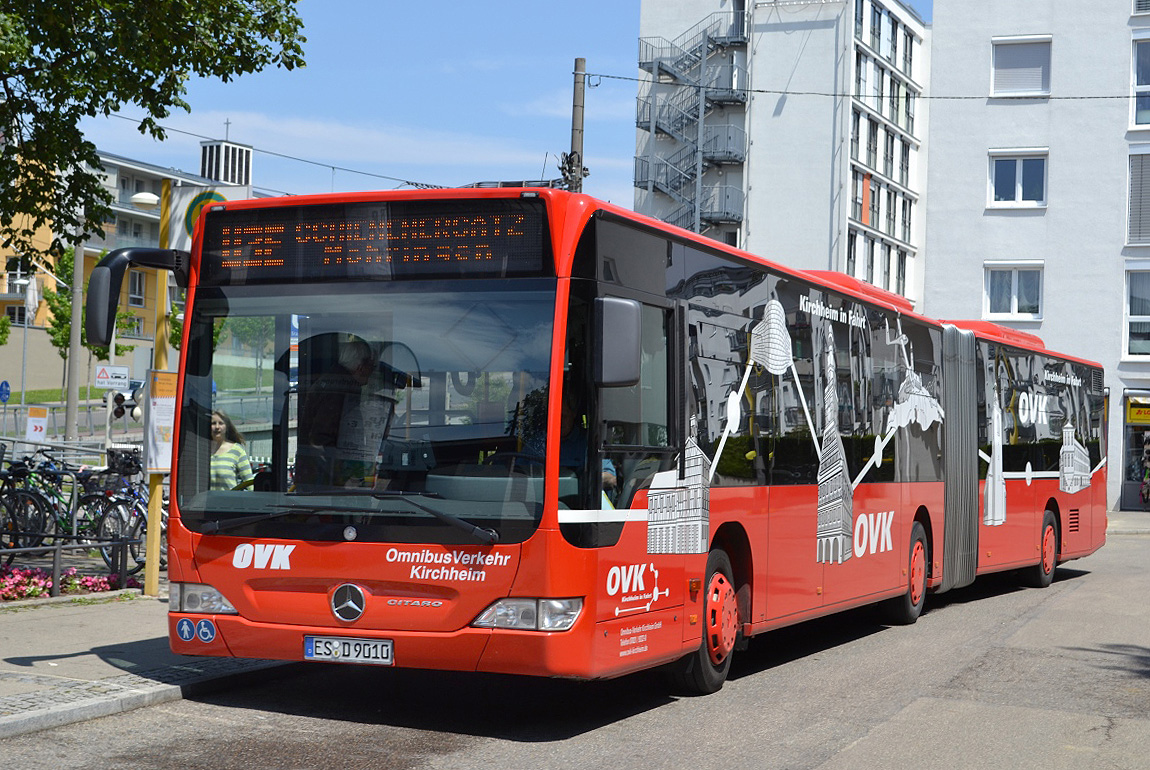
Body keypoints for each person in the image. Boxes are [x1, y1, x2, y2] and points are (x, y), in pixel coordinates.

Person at [210, 410, 255, 491]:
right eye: (213, 423)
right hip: (205, 503)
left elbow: (249, 481)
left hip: (228, 502)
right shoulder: (202, 449)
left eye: (221, 423)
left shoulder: (237, 450)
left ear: (227, 426)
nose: (217, 427)